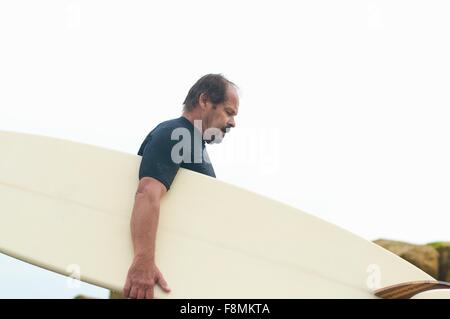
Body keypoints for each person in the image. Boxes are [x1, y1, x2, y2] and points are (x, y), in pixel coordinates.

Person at [123, 74, 240, 299]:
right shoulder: (176, 134)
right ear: (204, 100)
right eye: (229, 112)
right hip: (154, 281)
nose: (233, 123)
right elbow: (147, 193)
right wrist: (143, 262)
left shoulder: (193, 143)